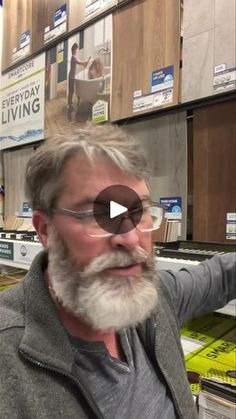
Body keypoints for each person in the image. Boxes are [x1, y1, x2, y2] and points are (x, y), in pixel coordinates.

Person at [0, 123, 235, 419]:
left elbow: (223, 275)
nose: (130, 238)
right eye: (98, 215)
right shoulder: (7, 364)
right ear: (46, 230)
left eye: (138, 213)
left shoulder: (157, 298)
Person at [68, 42, 89, 112]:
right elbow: (80, 62)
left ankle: (70, 102)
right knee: (71, 91)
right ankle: (69, 105)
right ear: (73, 50)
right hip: (71, 77)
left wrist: (85, 62)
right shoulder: (73, 57)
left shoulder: (74, 57)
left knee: (71, 90)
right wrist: (85, 62)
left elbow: (80, 61)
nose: (77, 51)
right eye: (76, 50)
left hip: (72, 76)